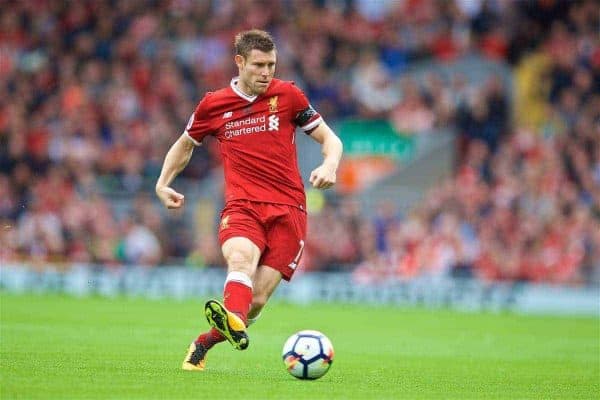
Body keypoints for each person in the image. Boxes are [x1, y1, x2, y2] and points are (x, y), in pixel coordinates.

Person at [155, 29, 343, 371]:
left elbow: (331, 139)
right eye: (258, 65)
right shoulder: (213, 104)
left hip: (290, 210)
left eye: (271, 64)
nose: (266, 72)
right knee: (240, 259)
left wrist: (330, 164)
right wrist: (163, 182)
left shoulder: (288, 96)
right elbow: (184, 144)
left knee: (255, 300)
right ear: (239, 62)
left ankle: (206, 340)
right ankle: (232, 320)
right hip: (242, 207)